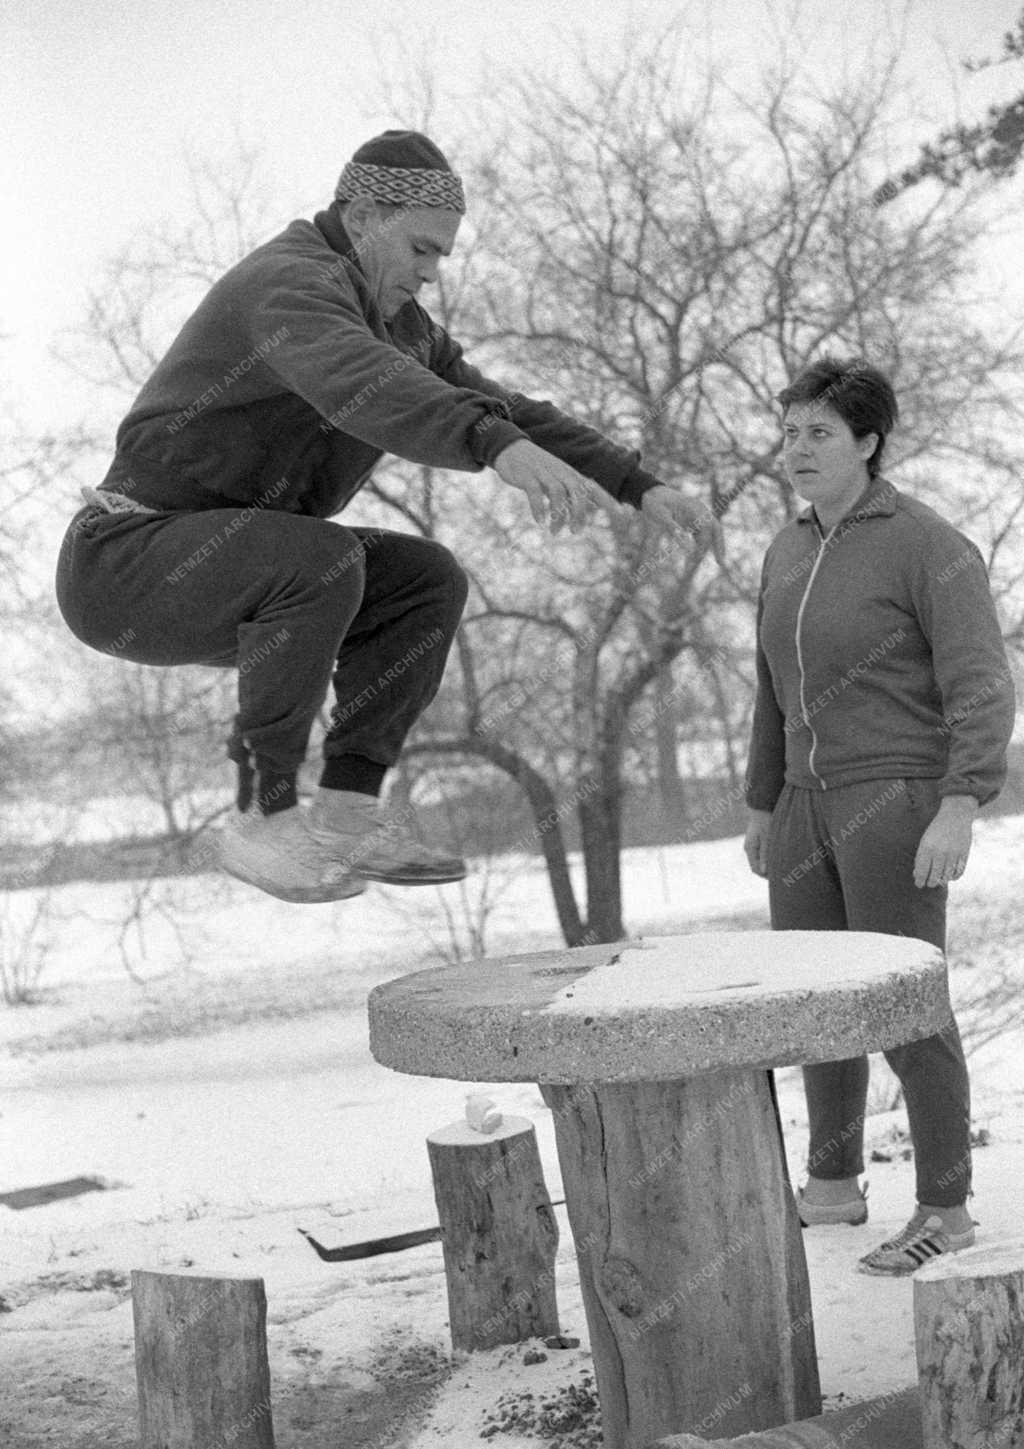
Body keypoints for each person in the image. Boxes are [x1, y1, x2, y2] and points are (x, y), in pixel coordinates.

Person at [56, 130, 709, 905]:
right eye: (422, 251)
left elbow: (505, 405)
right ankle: (260, 813)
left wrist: (635, 483)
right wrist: (487, 445)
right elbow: (361, 380)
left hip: (236, 568)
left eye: (442, 259)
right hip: (124, 561)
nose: (431, 276)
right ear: (363, 215)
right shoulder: (290, 285)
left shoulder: (403, 327)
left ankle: (347, 811)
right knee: (321, 559)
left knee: (424, 580)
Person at [742, 356, 1014, 1276]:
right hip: (801, 808)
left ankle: (947, 1205)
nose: (796, 448)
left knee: (903, 1005)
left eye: (818, 432)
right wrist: (759, 799)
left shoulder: (929, 545)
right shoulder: (785, 548)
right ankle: (832, 1182)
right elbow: (770, 689)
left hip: (894, 799)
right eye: (788, 431)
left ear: (867, 442)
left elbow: (980, 684)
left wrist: (961, 802)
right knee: (816, 1003)